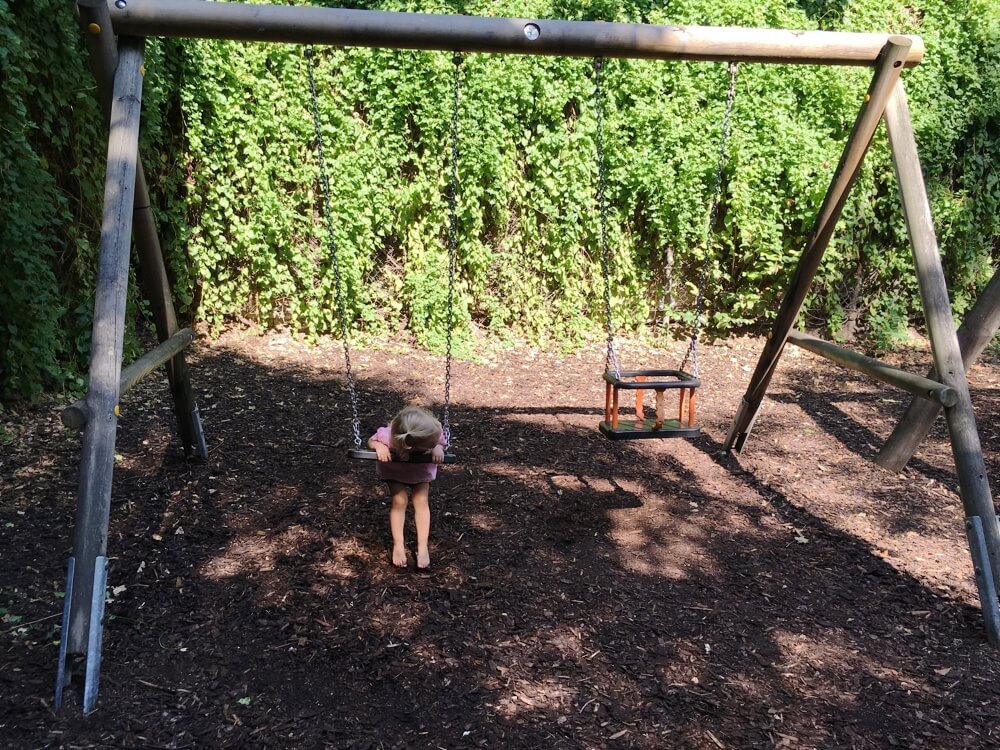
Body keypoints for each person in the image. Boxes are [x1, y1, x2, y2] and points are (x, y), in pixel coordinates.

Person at [367, 405, 446, 569]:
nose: (431, 446)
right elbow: (372, 441)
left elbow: (439, 442)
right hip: (395, 470)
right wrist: (379, 447)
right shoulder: (388, 436)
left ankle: (422, 547)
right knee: (399, 500)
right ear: (409, 447)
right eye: (428, 447)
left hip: (420, 470)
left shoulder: (429, 432)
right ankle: (398, 544)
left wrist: (438, 448)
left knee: (421, 501)